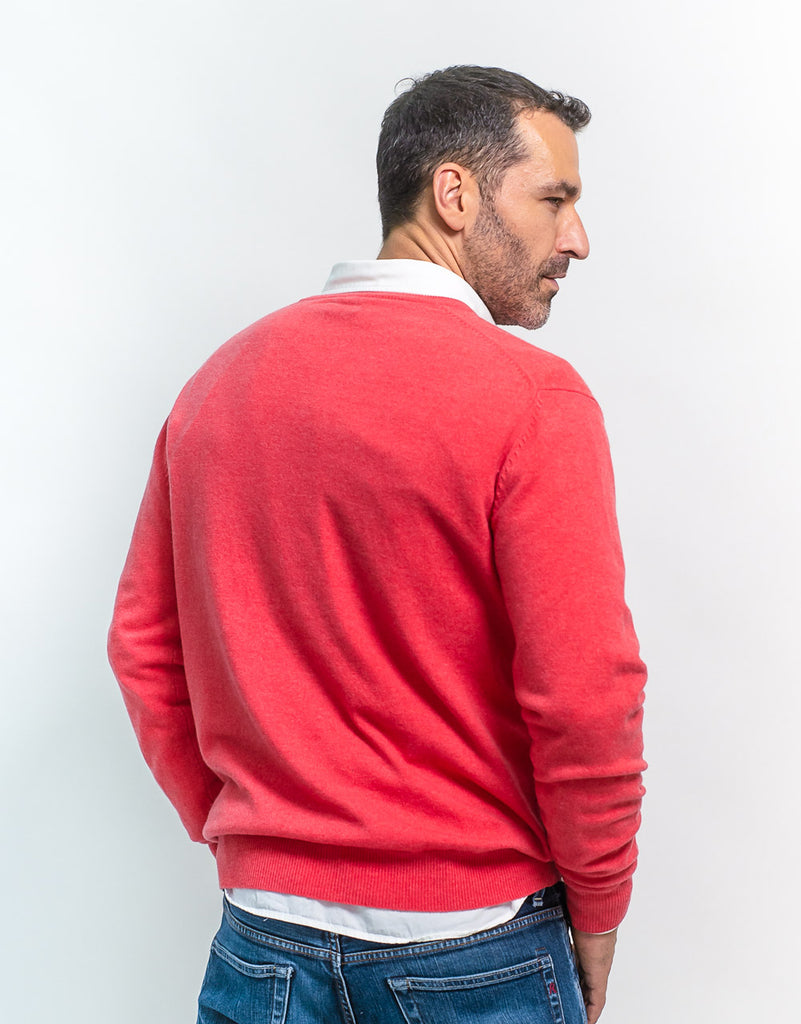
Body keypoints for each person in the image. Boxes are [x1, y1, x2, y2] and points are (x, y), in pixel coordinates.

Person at [108, 65, 646, 1024]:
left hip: (261, 941)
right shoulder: (531, 399)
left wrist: (254, 839)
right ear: (454, 194)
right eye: (553, 199)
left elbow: (143, 648)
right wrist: (599, 905)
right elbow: (583, 694)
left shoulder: (220, 385)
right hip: (473, 946)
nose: (577, 238)